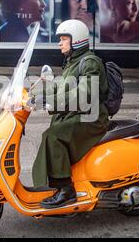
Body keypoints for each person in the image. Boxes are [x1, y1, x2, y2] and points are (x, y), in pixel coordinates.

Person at [31, 19, 110, 209]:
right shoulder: (72, 62)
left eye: (64, 39)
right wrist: (33, 94)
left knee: (54, 136)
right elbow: (60, 87)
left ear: (77, 41)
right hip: (78, 114)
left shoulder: (90, 62)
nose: (60, 43)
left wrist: (50, 102)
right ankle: (57, 181)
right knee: (54, 128)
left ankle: (66, 191)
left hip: (92, 118)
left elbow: (83, 94)